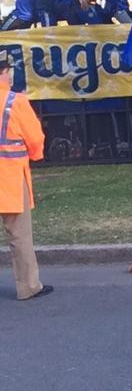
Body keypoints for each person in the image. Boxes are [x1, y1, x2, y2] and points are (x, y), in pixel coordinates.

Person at [0, 50, 53, 300]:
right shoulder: (16, 102)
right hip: (9, 177)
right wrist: (36, 153)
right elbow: (35, 138)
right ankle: (28, 286)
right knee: (19, 235)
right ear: (5, 72)